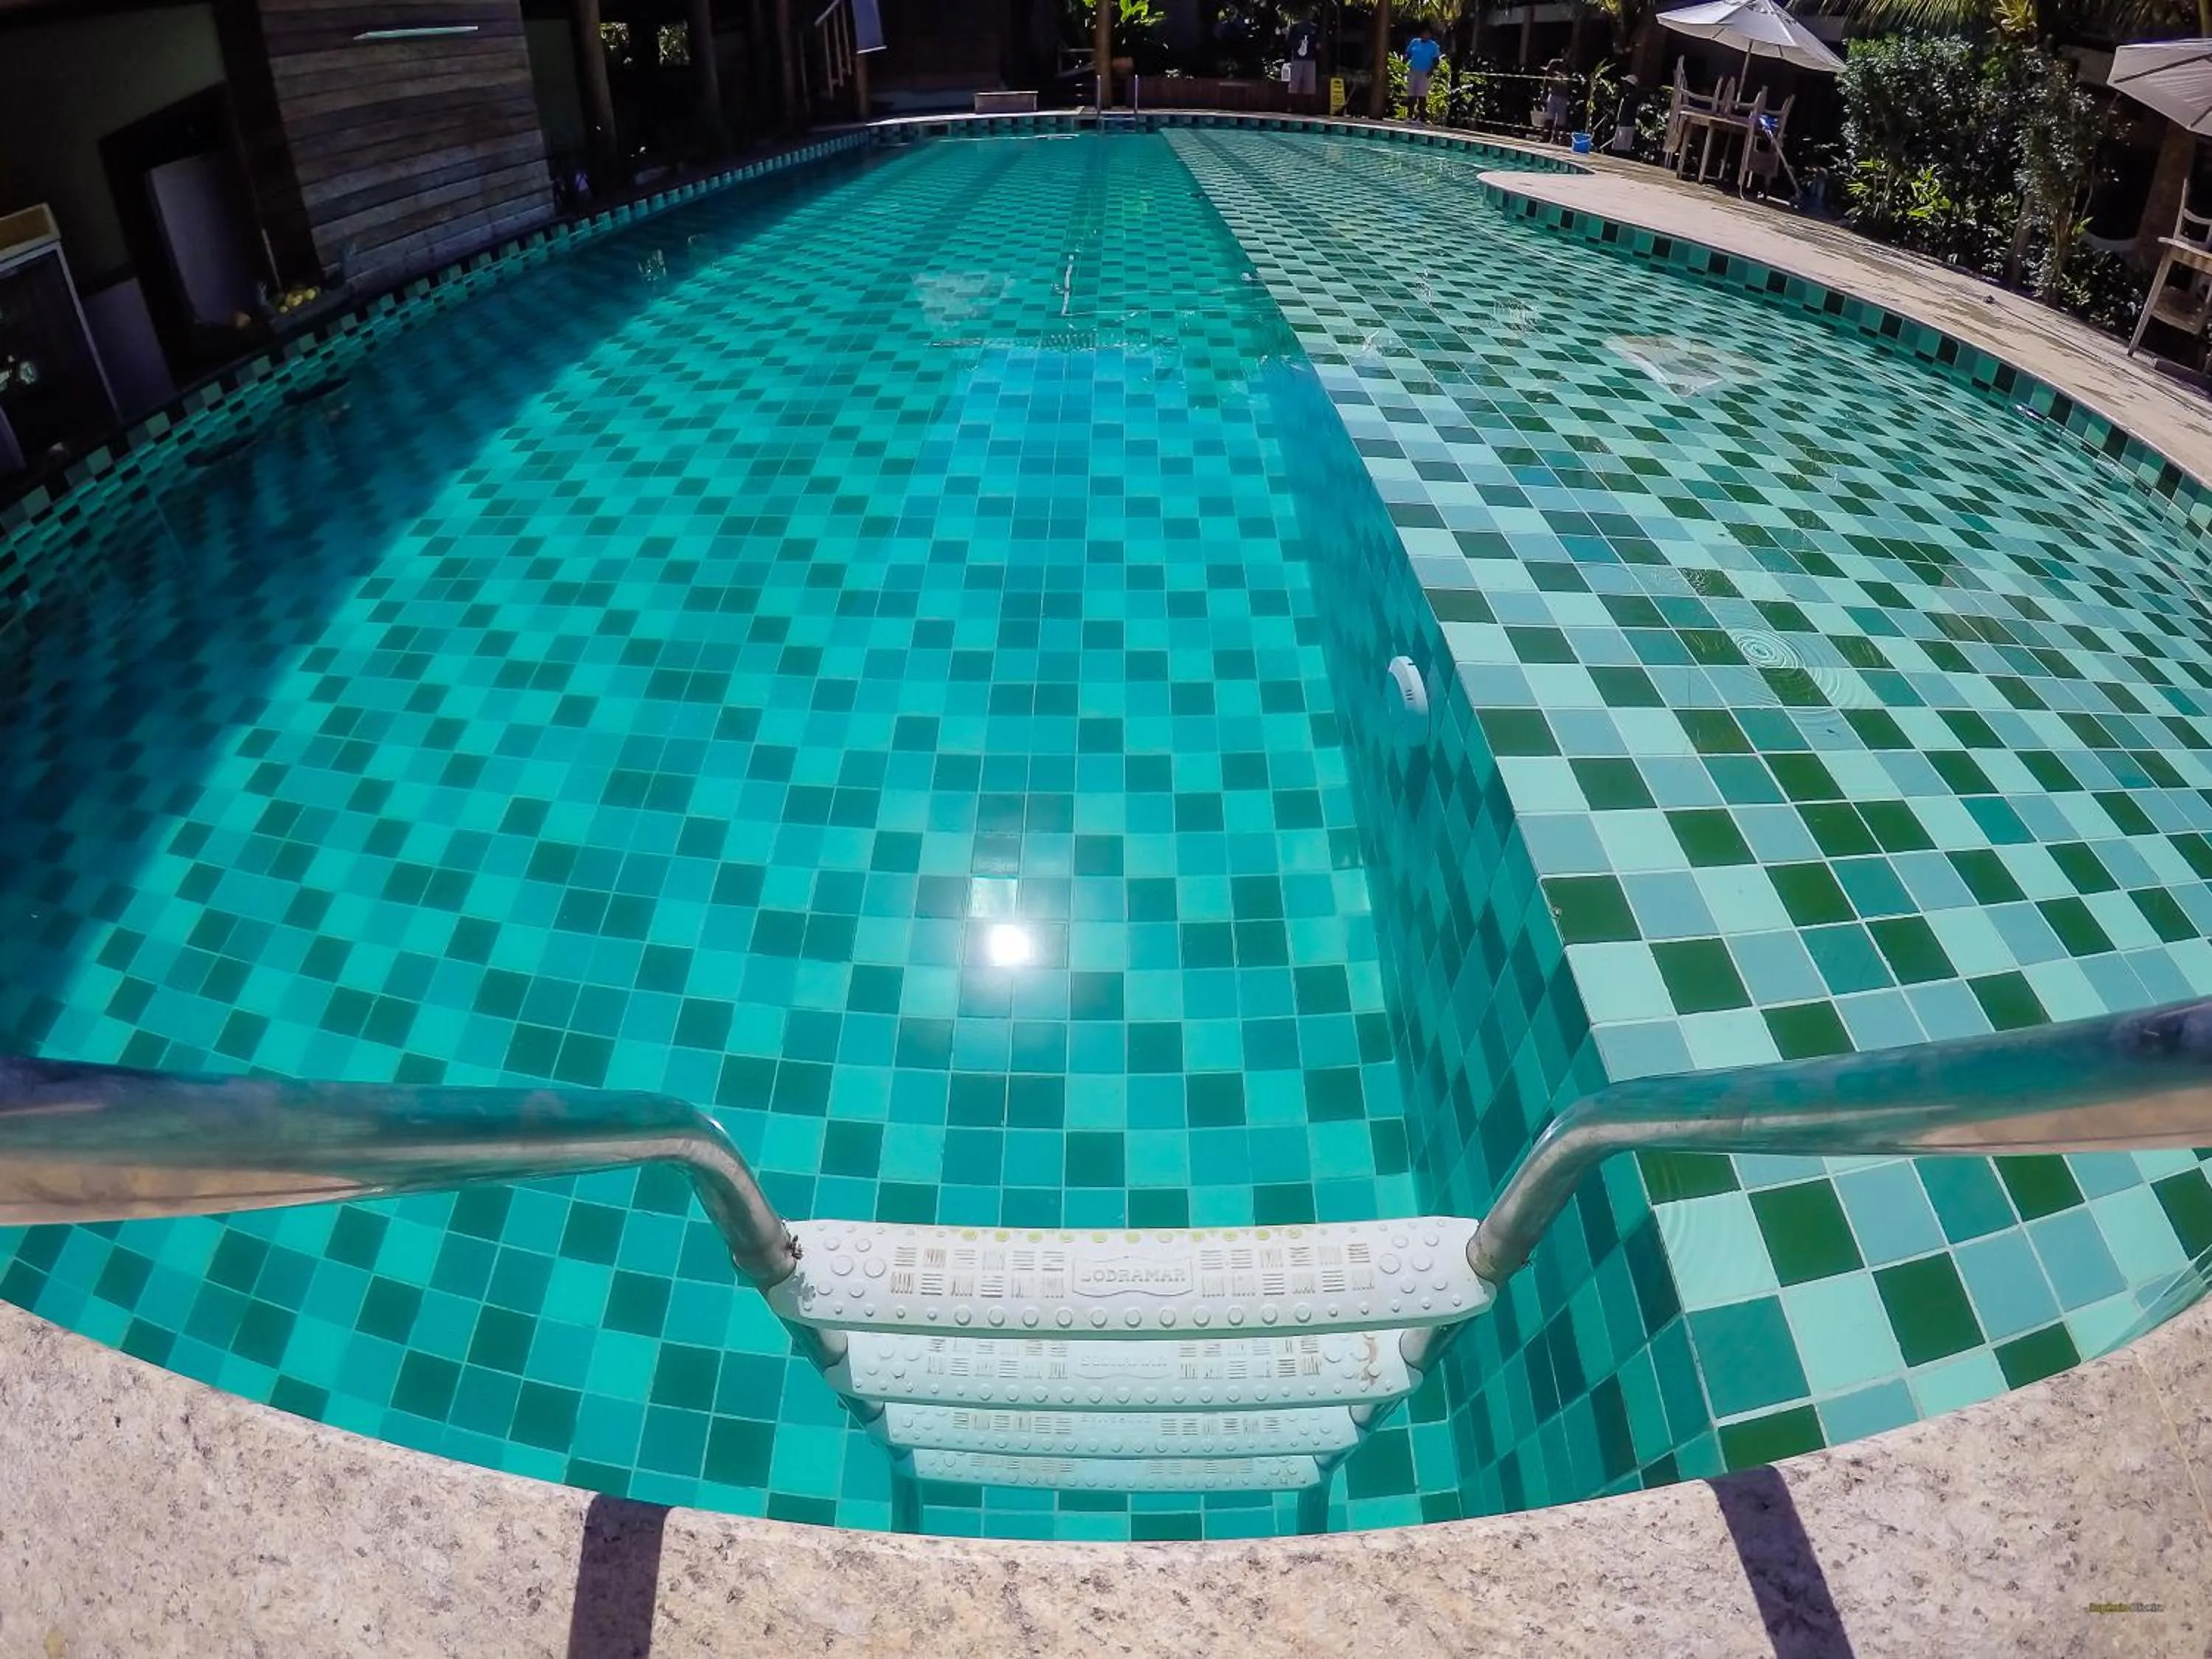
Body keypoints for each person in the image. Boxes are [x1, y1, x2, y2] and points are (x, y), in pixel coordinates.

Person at [1403, 27, 1443, 124]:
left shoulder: (1433, 46)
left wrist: (1432, 70)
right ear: (1421, 34)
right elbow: (1409, 53)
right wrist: (1406, 58)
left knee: (1422, 96)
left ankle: (1421, 118)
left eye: (1428, 34)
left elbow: (1436, 60)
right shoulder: (1415, 42)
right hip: (1413, 71)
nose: (1426, 35)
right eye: (1424, 33)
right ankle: (1409, 116)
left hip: (1425, 73)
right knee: (1411, 95)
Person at [1284, 11, 1321, 99]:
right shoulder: (1294, 27)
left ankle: (1308, 107)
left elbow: (1317, 41)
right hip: (1297, 58)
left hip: (1310, 59)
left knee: (1310, 83)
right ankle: (1291, 106)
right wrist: (1298, 45)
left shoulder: (1314, 28)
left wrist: (1318, 46)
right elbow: (1289, 41)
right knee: (1294, 82)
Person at [1540, 58, 1575, 142]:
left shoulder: (1570, 68)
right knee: (1550, 116)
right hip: (1553, 94)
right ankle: (1546, 137)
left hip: (1564, 96)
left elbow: (1571, 84)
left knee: (1561, 120)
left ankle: (1556, 138)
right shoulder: (1554, 64)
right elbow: (1547, 78)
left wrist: (1571, 98)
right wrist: (1544, 92)